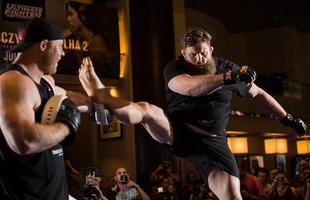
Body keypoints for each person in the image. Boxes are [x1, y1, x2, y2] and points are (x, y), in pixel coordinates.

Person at [78, 27, 307, 199]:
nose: (199, 59)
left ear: (211, 49)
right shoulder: (176, 68)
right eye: (193, 55)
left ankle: (102, 98)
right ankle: (102, 94)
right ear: (183, 53)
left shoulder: (228, 67)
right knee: (148, 110)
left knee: (233, 197)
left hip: (214, 144)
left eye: (203, 53)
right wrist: (228, 79)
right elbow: (187, 87)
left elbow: (258, 94)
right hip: (179, 131)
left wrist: (287, 118)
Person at [0, 17, 92, 200]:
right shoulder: (13, 82)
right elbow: (24, 141)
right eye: (60, 47)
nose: (63, 53)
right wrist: (66, 126)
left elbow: (71, 99)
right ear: (44, 45)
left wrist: (96, 99)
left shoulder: (45, 83)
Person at [58, 0, 120, 78]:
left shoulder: (97, 40)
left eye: (71, 14)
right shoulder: (78, 39)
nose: (68, 19)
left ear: (82, 15)